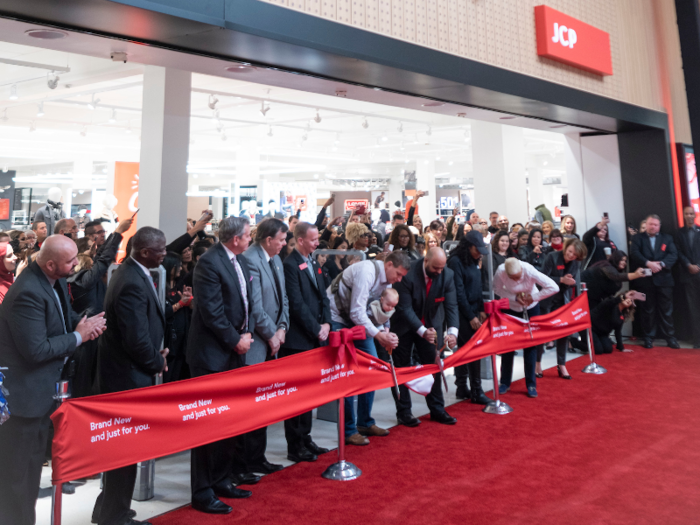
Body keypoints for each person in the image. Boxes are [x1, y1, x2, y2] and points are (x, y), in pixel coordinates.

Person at [0, 235, 106, 525]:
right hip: (23, 402)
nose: (76, 265)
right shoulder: (27, 292)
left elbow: (62, 317)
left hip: (41, 396)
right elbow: (36, 350)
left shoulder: (54, 279)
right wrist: (77, 337)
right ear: (50, 264)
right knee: (16, 481)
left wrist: (83, 324)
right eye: (71, 261)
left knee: (30, 476)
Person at [93, 227, 169, 525]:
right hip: (126, 377)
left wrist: (153, 355)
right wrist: (156, 362)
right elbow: (135, 339)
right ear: (145, 252)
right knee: (123, 452)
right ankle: (115, 515)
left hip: (130, 372)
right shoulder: (130, 281)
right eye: (160, 250)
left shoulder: (133, 273)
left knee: (123, 452)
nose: (165, 254)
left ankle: (110, 509)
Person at [186, 217, 255, 515]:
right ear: (236, 238)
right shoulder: (210, 263)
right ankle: (202, 491)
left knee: (229, 421)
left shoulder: (238, 259)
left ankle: (222, 479)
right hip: (212, 355)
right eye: (248, 235)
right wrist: (235, 339)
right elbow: (212, 312)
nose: (251, 239)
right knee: (207, 426)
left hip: (233, 351)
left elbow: (244, 300)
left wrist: (247, 331)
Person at [329, 251, 410, 439]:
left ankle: (365, 422)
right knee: (347, 373)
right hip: (338, 319)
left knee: (371, 367)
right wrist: (379, 335)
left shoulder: (387, 280)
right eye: (398, 274)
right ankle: (349, 430)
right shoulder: (367, 271)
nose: (398, 280)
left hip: (358, 321)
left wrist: (385, 330)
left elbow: (373, 311)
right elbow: (357, 312)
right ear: (388, 264)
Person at [241, 218, 290, 475]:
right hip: (257, 345)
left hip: (273, 341)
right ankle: (246, 461)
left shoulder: (277, 259)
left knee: (264, 405)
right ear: (268, 240)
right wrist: (271, 334)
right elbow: (255, 307)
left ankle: (258, 458)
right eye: (281, 240)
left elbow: (284, 300)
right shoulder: (251, 259)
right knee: (251, 407)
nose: (284, 244)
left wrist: (282, 329)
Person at [281, 222, 333, 457]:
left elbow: (324, 297)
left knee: (310, 393)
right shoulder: (290, 265)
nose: (317, 243)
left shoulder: (313, 262)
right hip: (298, 340)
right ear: (300, 240)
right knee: (296, 396)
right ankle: (295, 445)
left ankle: (306, 437)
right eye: (313, 240)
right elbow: (296, 303)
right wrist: (316, 329)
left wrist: (328, 324)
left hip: (315, 337)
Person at [391, 247, 458, 425]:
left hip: (432, 325)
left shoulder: (447, 275)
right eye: (436, 268)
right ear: (426, 261)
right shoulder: (408, 273)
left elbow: (451, 306)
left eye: (442, 268)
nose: (439, 272)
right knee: (401, 368)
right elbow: (405, 308)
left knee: (434, 366)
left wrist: (452, 332)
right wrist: (422, 331)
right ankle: (404, 412)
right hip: (403, 326)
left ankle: (437, 409)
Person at [493, 258, 558, 398]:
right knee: (508, 346)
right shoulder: (500, 271)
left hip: (531, 307)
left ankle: (531, 384)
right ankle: (505, 382)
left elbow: (553, 287)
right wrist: (514, 297)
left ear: (522, 270)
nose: (515, 281)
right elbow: (496, 288)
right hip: (511, 307)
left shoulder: (529, 270)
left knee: (530, 345)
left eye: (517, 277)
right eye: (512, 278)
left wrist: (534, 297)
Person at [447, 231, 492, 404]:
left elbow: (477, 285)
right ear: (468, 246)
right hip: (461, 312)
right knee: (472, 351)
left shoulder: (474, 261)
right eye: (477, 249)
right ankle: (476, 390)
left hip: (473, 309)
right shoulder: (455, 262)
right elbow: (458, 292)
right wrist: (471, 316)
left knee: (466, 351)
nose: (480, 253)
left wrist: (480, 308)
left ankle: (462, 387)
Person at [629, 214, 680, 349]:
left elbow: (673, 255)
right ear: (646, 224)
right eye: (650, 224)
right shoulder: (637, 238)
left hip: (665, 280)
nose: (652, 227)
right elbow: (634, 253)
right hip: (645, 280)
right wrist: (648, 263)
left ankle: (670, 338)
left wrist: (661, 264)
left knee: (666, 311)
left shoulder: (667, 238)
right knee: (647, 310)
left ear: (659, 226)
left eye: (655, 225)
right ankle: (648, 338)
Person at [541, 239, 587, 380]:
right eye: (570, 251)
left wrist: (570, 283)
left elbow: (573, 283)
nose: (571, 255)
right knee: (541, 333)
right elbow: (542, 278)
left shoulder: (576, 263)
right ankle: (537, 364)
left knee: (563, 333)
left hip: (563, 300)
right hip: (546, 300)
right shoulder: (552, 257)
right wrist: (561, 279)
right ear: (566, 247)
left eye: (575, 254)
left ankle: (561, 364)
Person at [675, 206, 700, 347]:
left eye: (691, 213)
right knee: (693, 309)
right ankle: (697, 340)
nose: (689, 215)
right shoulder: (679, 233)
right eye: (687, 214)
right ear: (684, 216)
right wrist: (688, 265)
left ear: (695, 215)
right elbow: (678, 252)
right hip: (688, 276)